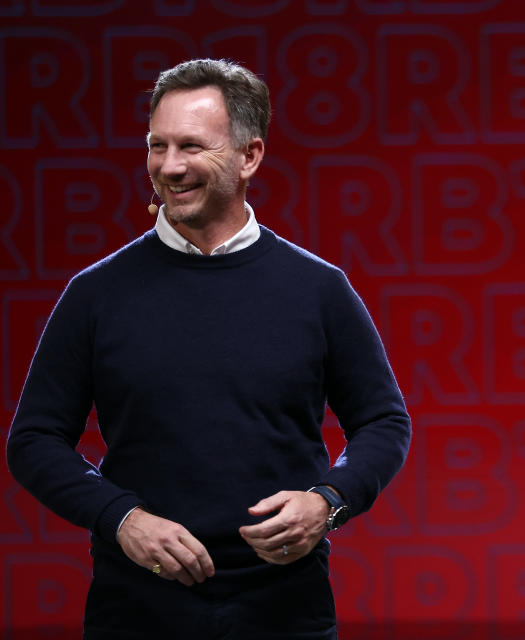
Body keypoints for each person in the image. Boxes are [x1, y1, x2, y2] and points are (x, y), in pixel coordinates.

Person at [6, 59, 411, 639]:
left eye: (192, 146)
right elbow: (34, 440)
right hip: (136, 609)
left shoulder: (319, 289)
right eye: (157, 146)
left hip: (286, 610)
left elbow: (384, 421)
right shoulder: (95, 293)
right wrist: (120, 518)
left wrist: (329, 502)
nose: (169, 167)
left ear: (249, 156)